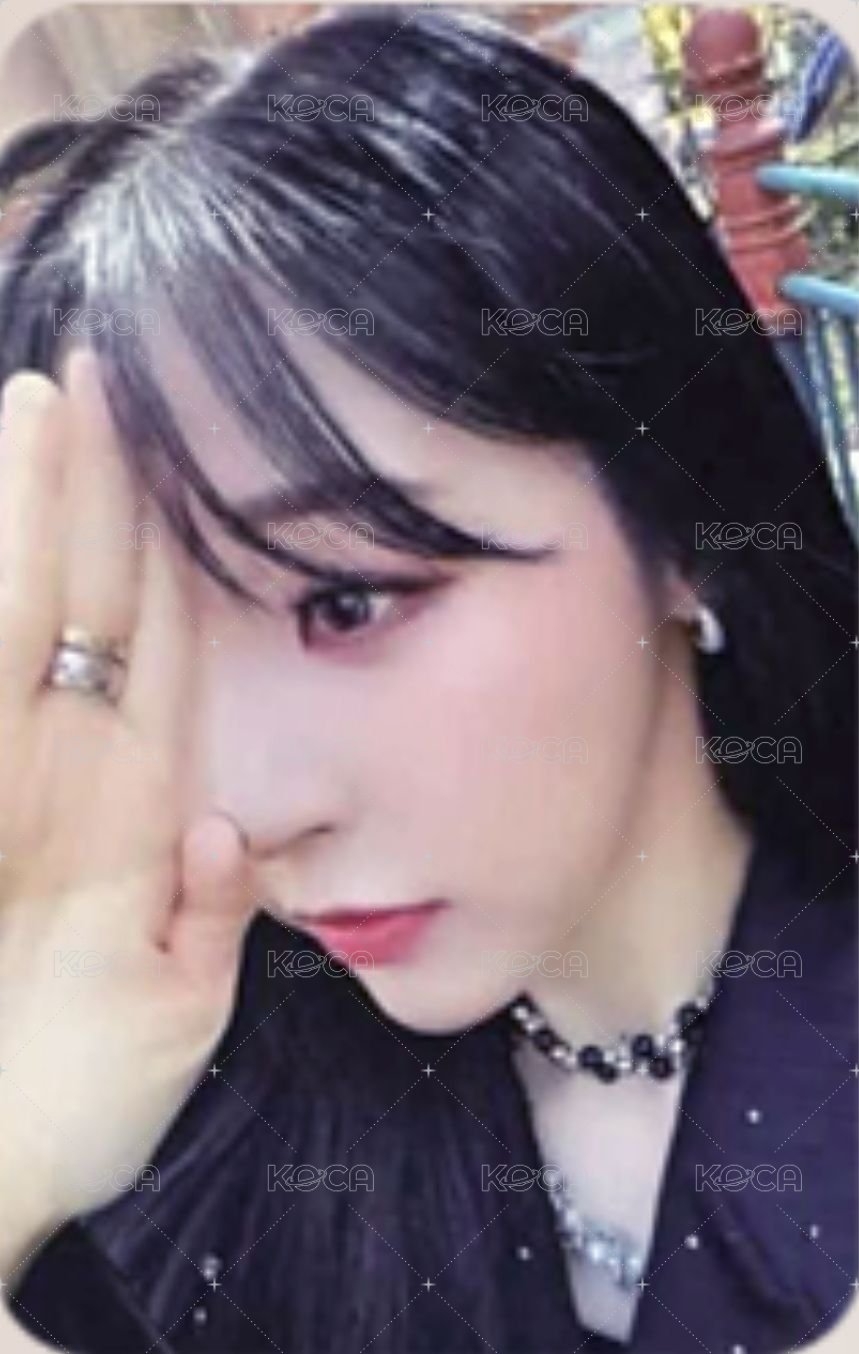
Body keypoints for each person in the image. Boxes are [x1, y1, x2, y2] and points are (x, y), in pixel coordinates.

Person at [0, 7, 855, 1353]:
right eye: (144, 663)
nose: (248, 807)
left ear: (684, 519)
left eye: (344, 601)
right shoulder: (189, 1127)